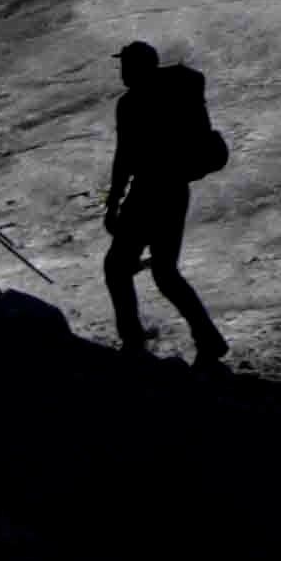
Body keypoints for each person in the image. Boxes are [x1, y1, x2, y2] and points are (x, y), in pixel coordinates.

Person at [99, 38, 228, 366]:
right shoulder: (175, 94)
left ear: (137, 67)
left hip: (148, 193)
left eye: (125, 65)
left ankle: (133, 342)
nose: (121, 72)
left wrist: (114, 203)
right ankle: (209, 340)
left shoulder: (130, 105)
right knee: (166, 272)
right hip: (175, 191)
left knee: (117, 267)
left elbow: (124, 158)